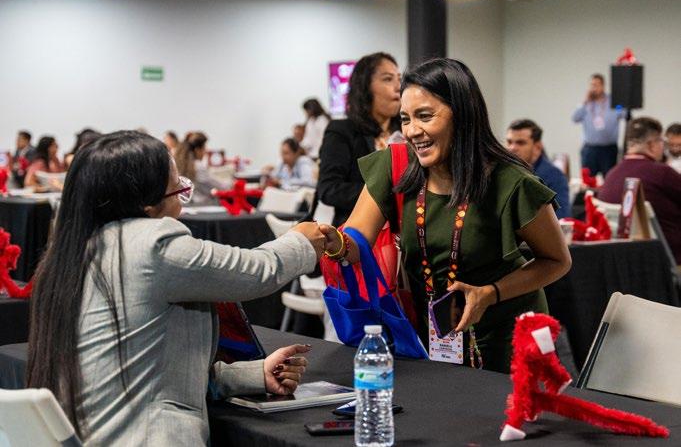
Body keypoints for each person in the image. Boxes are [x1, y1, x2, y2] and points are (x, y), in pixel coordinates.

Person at [26, 131, 330, 445]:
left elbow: (143, 370)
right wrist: (302, 241)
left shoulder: (74, 253)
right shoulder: (152, 244)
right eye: (178, 190)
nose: (182, 205)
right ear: (146, 203)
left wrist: (253, 374)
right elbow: (259, 271)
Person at [321, 58, 571, 373]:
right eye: (405, 119)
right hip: (430, 333)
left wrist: (490, 293)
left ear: (462, 114)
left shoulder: (511, 182)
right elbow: (356, 241)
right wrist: (335, 243)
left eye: (425, 116)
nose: (412, 131)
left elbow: (557, 260)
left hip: (502, 336)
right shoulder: (395, 166)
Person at [317, 51, 401, 226]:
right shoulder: (342, 131)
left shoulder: (407, 131)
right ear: (365, 86)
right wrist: (387, 194)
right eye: (388, 79)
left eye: (399, 79)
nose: (398, 87)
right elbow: (329, 189)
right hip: (358, 230)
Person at [598, 117, 681, 264]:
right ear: (651, 145)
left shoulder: (611, 175)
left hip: (626, 262)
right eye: (662, 141)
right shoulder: (663, 174)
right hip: (668, 258)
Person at [506, 119, 570, 218]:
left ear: (538, 147)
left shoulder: (555, 177)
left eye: (520, 143)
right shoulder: (504, 172)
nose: (512, 148)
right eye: (509, 142)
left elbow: (561, 218)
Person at [571, 73, 626, 177]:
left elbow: (623, 113)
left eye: (596, 85)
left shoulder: (614, 101)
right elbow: (575, 118)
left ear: (603, 86)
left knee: (610, 179)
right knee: (587, 180)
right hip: (590, 149)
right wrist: (584, 102)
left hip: (608, 149)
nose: (594, 88)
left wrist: (621, 101)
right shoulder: (586, 104)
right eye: (592, 85)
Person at [175, 131, 233, 203]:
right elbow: (220, 187)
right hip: (204, 203)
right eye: (204, 148)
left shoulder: (181, 165)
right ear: (197, 150)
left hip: (190, 204)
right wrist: (233, 183)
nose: (205, 151)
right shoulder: (198, 167)